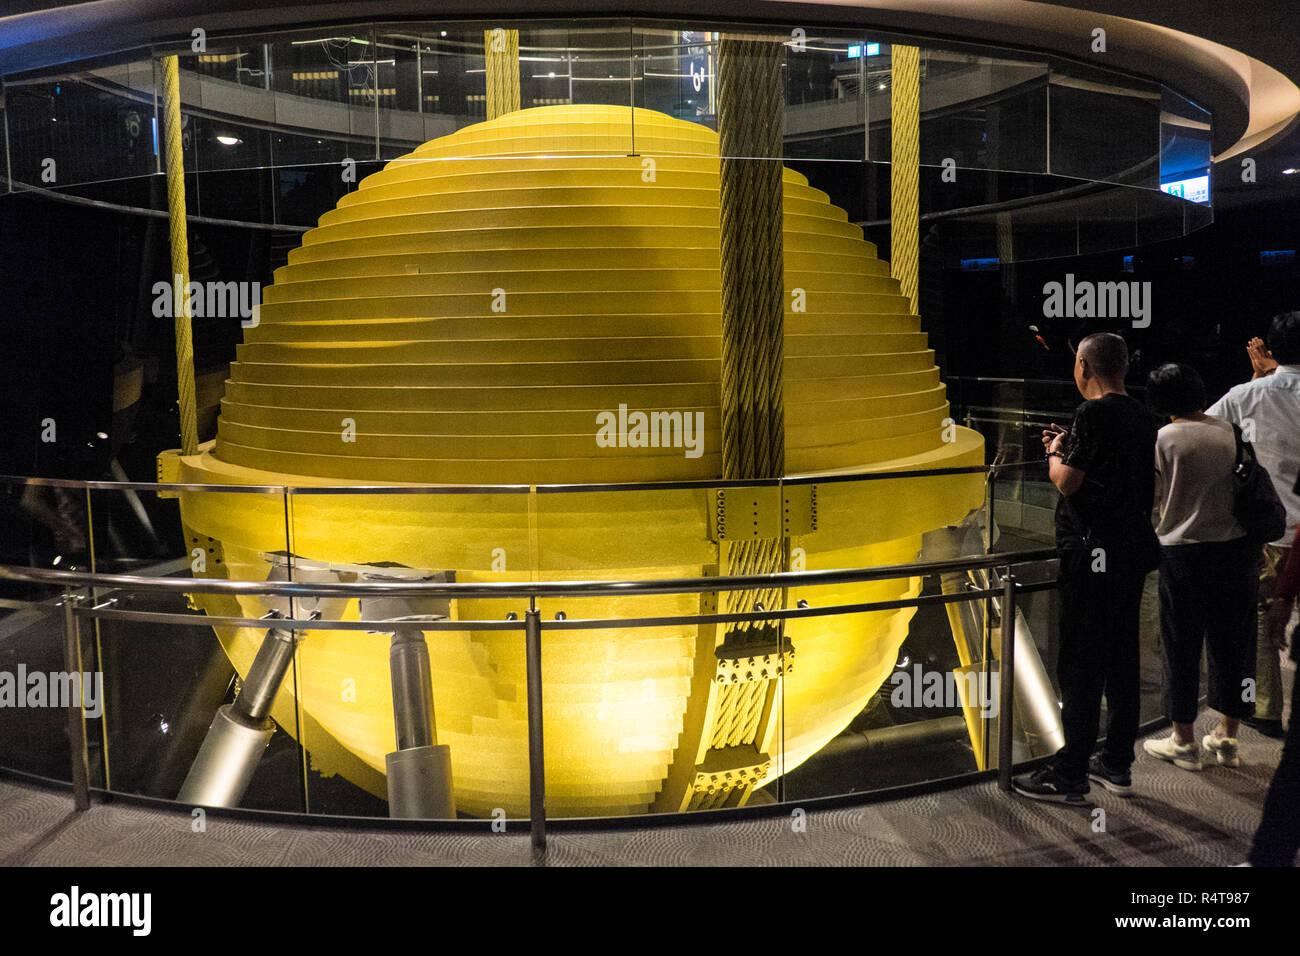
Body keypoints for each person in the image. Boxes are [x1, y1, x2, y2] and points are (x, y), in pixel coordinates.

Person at [1013, 332, 1158, 803]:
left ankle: (1070, 773)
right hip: (1131, 549)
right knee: (1121, 657)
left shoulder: (1091, 413)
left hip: (1091, 553)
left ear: (1083, 366)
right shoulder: (1142, 413)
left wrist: (1056, 452)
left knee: (1080, 662)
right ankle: (1117, 760)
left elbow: (1068, 484)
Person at [1141, 363, 1257, 771]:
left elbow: (1152, 498)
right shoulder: (1230, 431)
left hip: (1183, 553)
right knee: (1234, 647)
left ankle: (1183, 742)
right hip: (1235, 551)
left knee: (1181, 647)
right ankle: (1228, 738)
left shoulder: (1165, 439)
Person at [1207, 312, 1300, 738]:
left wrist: (1255, 381)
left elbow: (1198, 432)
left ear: (1273, 350)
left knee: (1263, 624)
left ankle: (1264, 708)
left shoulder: (1245, 395)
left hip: (1270, 531)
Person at [1248, 529, 1299, 865]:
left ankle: (1268, 859)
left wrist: (1284, 596)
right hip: (1283, 537)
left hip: (1277, 538)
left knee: (1297, 759)